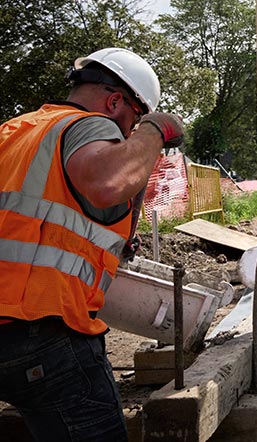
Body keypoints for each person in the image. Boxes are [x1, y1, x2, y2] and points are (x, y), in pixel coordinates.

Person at [0, 48, 184, 441]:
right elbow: (108, 182)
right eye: (133, 120)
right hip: (44, 330)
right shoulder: (88, 125)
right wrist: (154, 129)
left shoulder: (14, 131)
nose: (128, 135)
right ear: (115, 102)